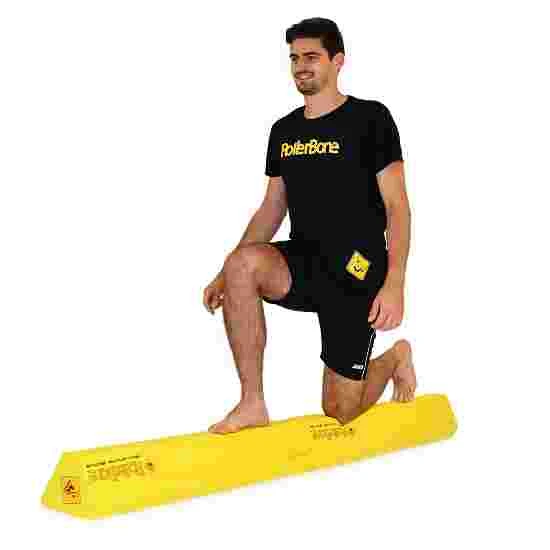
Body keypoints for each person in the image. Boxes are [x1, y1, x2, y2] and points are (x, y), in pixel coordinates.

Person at [203, 18, 416, 435]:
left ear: (338, 61)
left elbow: (398, 208)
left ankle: (395, 358)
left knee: (340, 410)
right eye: (294, 58)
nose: (301, 66)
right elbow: (271, 208)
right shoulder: (284, 131)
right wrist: (226, 272)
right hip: (305, 262)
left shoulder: (371, 119)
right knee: (242, 264)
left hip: (356, 269)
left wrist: (395, 283)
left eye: (312, 57)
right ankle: (252, 403)